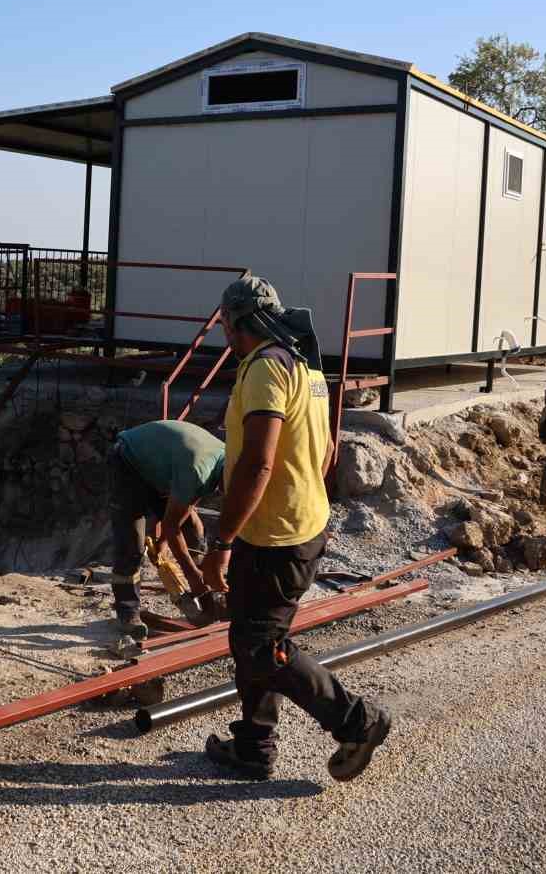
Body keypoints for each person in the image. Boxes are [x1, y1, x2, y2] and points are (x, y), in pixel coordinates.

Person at [200, 275, 391, 783]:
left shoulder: (264, 370)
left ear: (233, 322)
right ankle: (253, 747)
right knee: (250, 637)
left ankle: (358, 720)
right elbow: (327, 451)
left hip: (275, 537)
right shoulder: (305, 367)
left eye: (224, 323)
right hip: (297, 523)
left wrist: (221, 541)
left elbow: (257, 465)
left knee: (264, 646)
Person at [107, 419, 226, 639]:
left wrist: (163, 542)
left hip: (159, 467)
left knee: (193, 529)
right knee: (132, 542)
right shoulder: (199, 468)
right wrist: (191, 573)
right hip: (129, 461)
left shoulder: (223, 460)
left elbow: (188, 502)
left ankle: (204, 597)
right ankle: (127, 613)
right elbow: (172, 525)